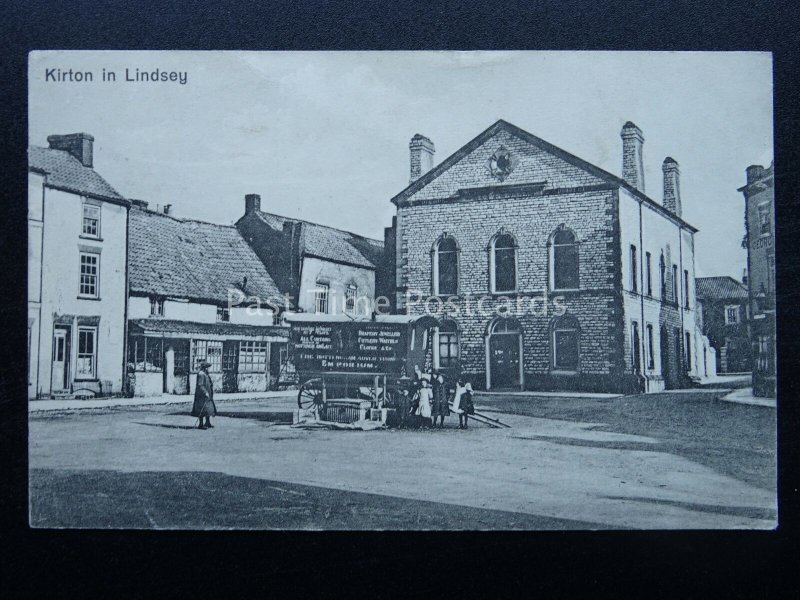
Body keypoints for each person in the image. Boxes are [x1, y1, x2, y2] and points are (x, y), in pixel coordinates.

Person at [192, 361, 217, 430]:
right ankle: (200, 424)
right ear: (205, 368)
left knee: (208, 409)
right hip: (202, 395)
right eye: (208, 368)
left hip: (208, 395)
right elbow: (200, 385)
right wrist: (205, 392)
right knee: (202, 409)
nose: (208, 369)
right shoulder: (201, 374)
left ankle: (207, 422)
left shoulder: (206, 374)